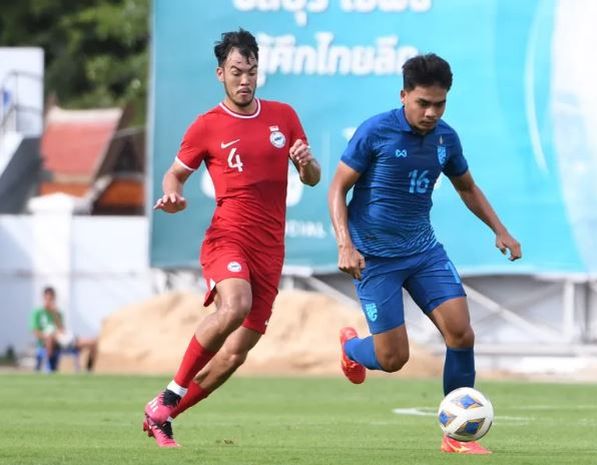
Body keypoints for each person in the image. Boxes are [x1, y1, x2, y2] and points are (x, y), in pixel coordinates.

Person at [327, 53, 521, 455]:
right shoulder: (375, 132)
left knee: (461, 333)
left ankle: (456, 435)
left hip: (422, 251)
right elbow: (337, 189)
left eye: (440, 104)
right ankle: (350, 349)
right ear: (404, 95)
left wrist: (500, 230)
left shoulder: (446, 139)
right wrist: (345, 244)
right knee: (394, 358)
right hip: (375, 258)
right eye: (423, 103)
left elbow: (467, 187)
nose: (432, 112)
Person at [142, 28, 320, 448]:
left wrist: (307, 163)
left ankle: (162, 413)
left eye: (252, 72)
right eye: (237, 71)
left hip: (270, 248)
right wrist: (173, 192)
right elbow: (176, 173)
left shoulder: (284, 116)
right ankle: (171, 392)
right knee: (235, 305)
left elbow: (311, 180)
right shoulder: (207, 126)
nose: (245, 80)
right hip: (228, 237)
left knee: (234, 356)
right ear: (221, 73)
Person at [30, 286, 97, 372]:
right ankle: (51, 369)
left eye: (51, 299)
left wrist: (55, 314)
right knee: (50, 339)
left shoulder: (57, 313)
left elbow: (62, 330)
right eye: (47, 298)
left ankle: (88, 370)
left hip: (62, 340)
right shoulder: (37, 313)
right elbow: (36, 332)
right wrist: (49, 336)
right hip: (47, 341)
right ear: (43, 298)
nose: (49, 301)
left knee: (93, 342)